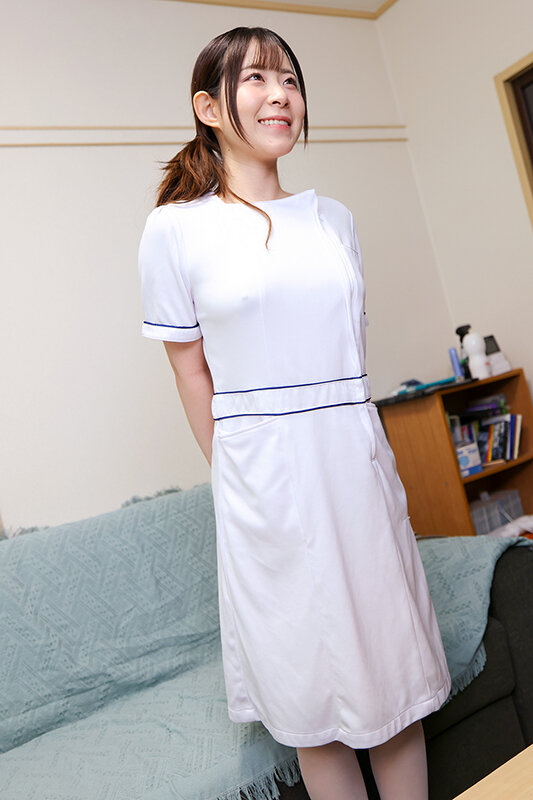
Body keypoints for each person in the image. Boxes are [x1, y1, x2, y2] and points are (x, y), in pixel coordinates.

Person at [138, 25, 452, 800]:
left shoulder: (333, 218)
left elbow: (348, 354)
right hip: (263, 483)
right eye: (255, 78)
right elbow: (190, 373)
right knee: (315, 703)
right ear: (207, 107)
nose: (279, 94)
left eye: (288, 79)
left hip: (354, 464)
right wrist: (240, 482)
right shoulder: (174, 229)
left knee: (390, 682)